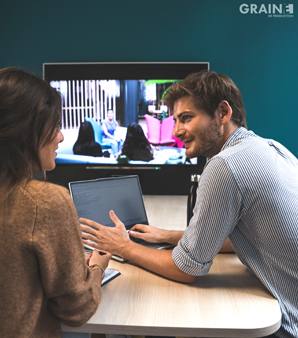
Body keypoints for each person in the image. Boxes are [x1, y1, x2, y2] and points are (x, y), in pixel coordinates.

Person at [80, 70, 298, 338]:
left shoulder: (224, 166)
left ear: (223, 112)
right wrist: (169, 236)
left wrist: (122, 246)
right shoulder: (273, 148)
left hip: (287, 326)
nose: (176, 131)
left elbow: (187, 269)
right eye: (175, 120)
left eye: (186, 118)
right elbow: (247, 234)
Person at [0, 67, 111, 338]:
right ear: (26, 131)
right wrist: (96, 266)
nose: (61, 137)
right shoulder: (45, 202)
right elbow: (78, 309)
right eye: (56, 125)